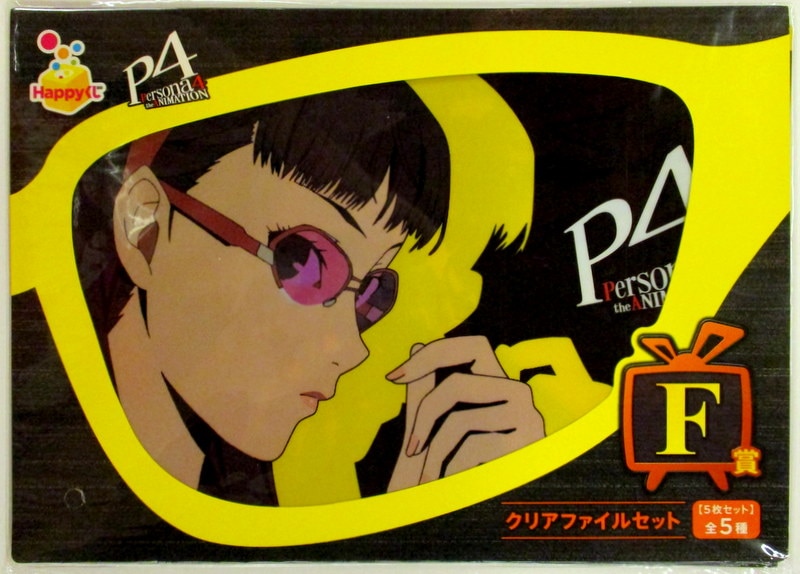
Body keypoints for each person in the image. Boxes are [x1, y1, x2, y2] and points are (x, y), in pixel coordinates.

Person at [73, 82, 545, 505]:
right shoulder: (46, 451)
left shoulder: (242, 489)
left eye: (372, 293)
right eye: (307, 264)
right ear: (145, 226)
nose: (353, 349)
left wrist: (413, 515)